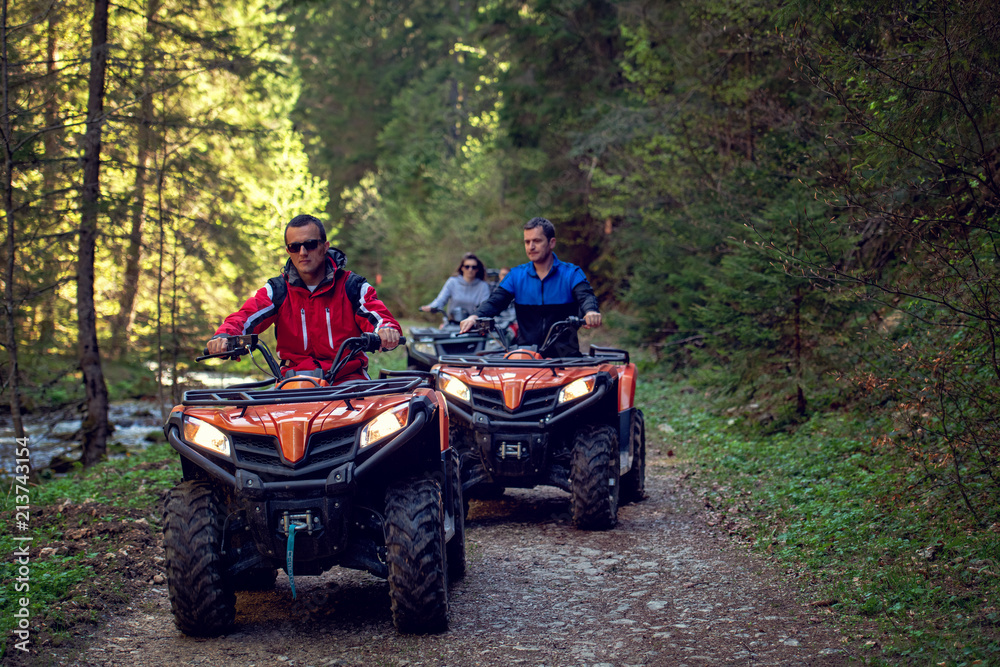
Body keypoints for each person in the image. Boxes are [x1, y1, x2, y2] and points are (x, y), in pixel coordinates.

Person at [206, 214, 401, 382]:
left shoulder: (352, 286)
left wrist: (386, 331)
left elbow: (378, 315)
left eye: (310, 244)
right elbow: (245, 316)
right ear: (288, 251)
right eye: (294, 246)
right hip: (294, 383)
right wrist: (225, 336)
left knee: (373, 421)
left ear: (325, 247)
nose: (303, 252)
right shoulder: (277, 290)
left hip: (348, 382)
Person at [460, 217, 601, 357]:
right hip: (527, 357)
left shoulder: (571, 273)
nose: (531, 247)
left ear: (551, 243)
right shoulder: (516, 275)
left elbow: (586, 296)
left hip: (565, 357)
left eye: (537, 241)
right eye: (527, 242)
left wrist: (590, 312)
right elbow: (496, 301)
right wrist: (475, 316)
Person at [420, 252, 492, 323]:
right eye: (467, 267)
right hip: (452, 323)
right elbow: (441, 300)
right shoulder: (452, 282)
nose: (470, 269)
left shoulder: (483, 286)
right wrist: (431, 307)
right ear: (462, 268)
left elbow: (484, 307)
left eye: (474, 267)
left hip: (473, 325)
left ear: (477, 269)